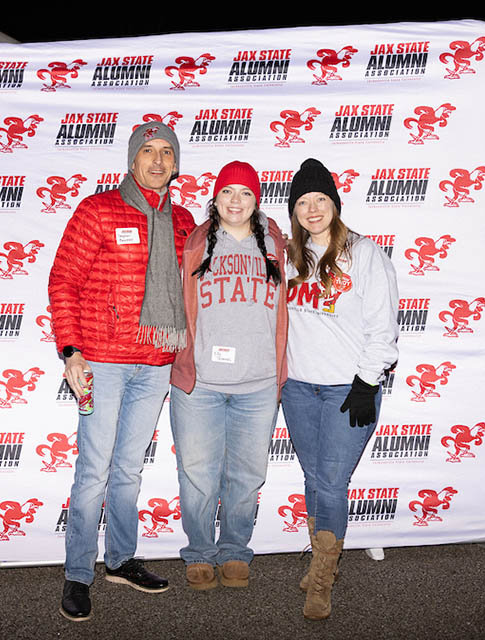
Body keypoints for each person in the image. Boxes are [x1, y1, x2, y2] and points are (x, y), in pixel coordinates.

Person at [48, 122, 196, 622]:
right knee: (93, 471)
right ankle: (77, 574)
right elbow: (63, 279)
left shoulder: (183, 222)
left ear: (176, 164)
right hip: (103, 361)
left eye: (166, 153)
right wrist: (71, 351)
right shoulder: (98, 210)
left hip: (155, 363)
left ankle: (120, 559)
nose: (157, 161)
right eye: (148, 152)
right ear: (132, 160)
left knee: (128, 471)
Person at [280, 159, 399, 620]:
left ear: (335, 203)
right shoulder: (291, 257)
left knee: (330, 482)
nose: (312, 209)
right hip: (298, 388)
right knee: (315, 480)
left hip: (348, 389)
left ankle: (323, 579)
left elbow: (382, 327)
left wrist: (368, 382)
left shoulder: (365, 254)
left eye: (320, 200)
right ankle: (321, 560)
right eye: (303, 202)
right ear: (294, 210)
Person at [168, 161, 287, 590]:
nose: (236, 201)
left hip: (258, 384)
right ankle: (199, 552)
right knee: (198, 471)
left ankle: (236, 549)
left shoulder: (275, 243)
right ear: (214, 198)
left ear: (257, 201)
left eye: (245, 193)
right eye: (227, 192)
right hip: (199, 383)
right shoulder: (194, 242)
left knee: (248, 472)